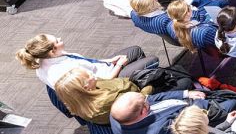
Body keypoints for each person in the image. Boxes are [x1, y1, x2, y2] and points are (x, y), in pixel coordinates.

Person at [109, 89, 236, 134]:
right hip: (194, 127)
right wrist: (200, 103)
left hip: (184, 107)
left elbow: (152, 98)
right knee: (233, 104)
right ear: (143, 111)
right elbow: (191, 121)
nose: (147, 98)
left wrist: (185, 93)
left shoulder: (118, 114)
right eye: (145, 101)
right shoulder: (159, 133)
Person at [17, 34, 157, 88]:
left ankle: (141, 79)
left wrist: (108, 60)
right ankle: (136, 84)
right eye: (57, 41)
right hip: (108, 80)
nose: (60, 38)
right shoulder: (67, 70)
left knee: (136, 50)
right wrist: (119, 65)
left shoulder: (52, 56)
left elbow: (85, 61)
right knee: (152, 60)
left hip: (102, 68)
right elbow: (104, 81)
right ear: (52, 51)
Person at [54, 68, 151, 125]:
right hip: (139, 98)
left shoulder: (79, 100)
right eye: (88, 76)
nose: (91, 74)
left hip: (130, 86)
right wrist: (150, 84)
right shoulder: (106, 102)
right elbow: (139, 100)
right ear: (85, 88)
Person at [129, 0, 221, 38]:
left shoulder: (134, 14)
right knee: (215, 4)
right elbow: (185, 23)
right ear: (150, 7)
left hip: (174, 28)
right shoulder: (164, 20)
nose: (157, 0)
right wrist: (192, 10)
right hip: (187, 30)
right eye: (155, 0)